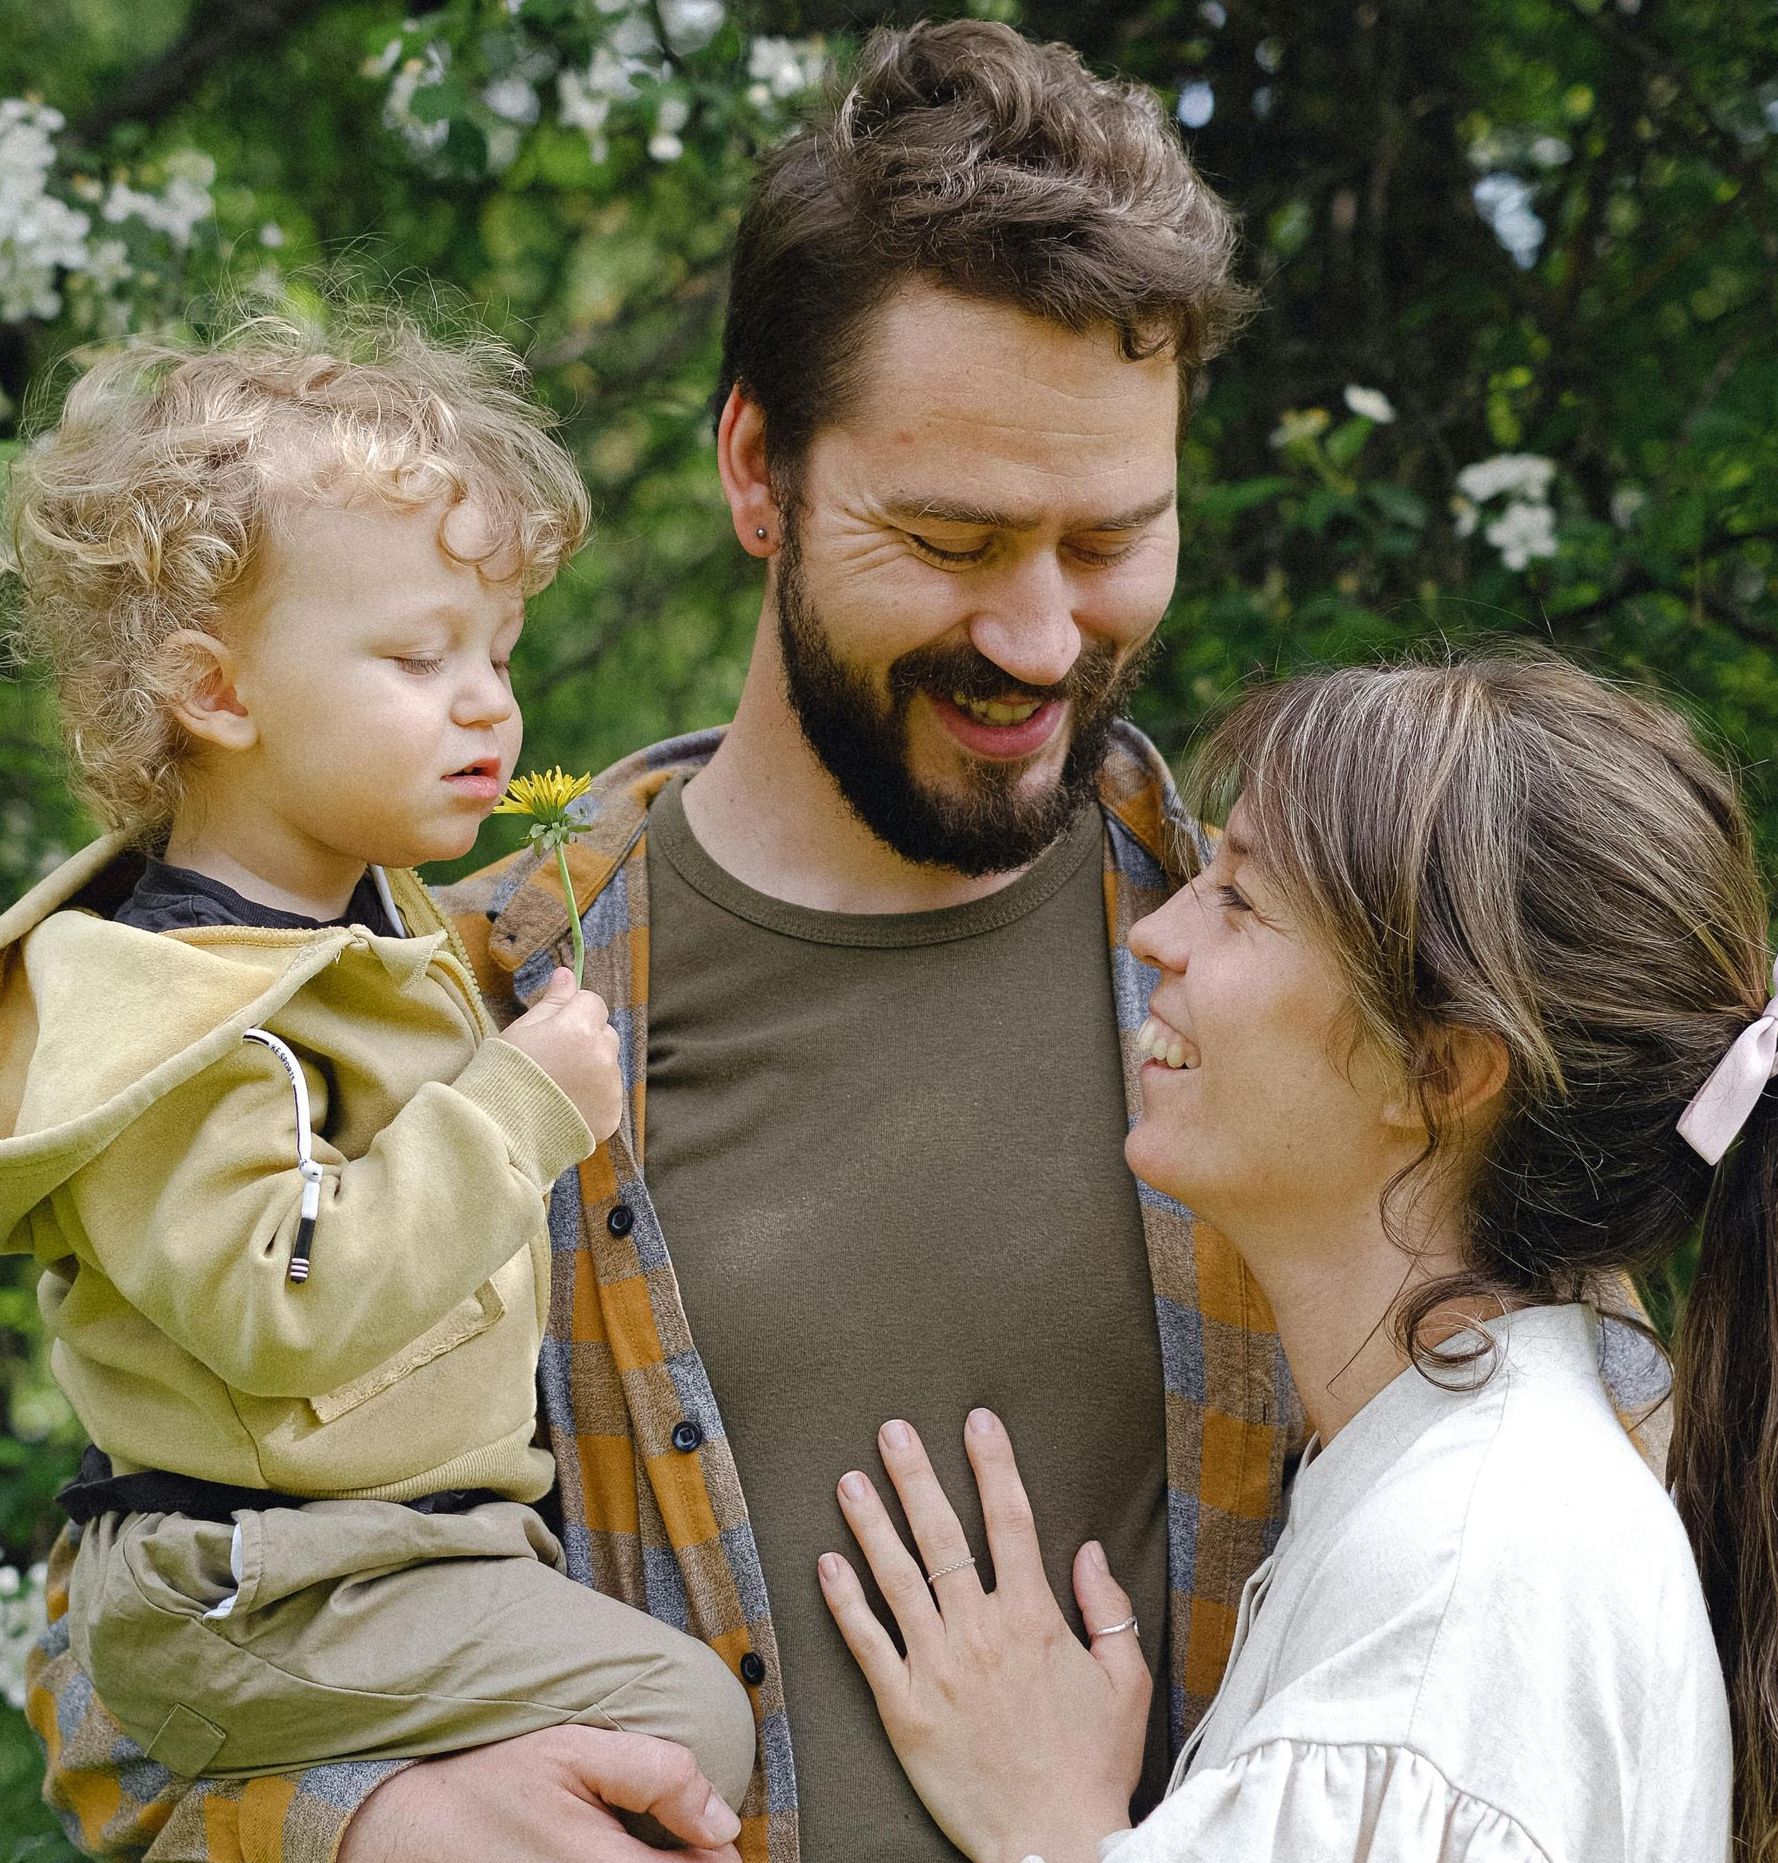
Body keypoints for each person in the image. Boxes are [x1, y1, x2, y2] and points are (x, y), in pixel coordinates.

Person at [21, 25, 1666, 1863]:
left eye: (1111, 536)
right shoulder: (464, 1016)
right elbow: (135, 1642)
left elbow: (1583, 1617)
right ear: (756, 472)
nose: (1040, 636)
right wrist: (369, 1815)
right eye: (952, 537)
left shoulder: (1333, 1024)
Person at [0, 310, 754, 1839]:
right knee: (680, 1715)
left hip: (380, 1560)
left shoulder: (366, 916)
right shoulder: (172, 1008)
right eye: (419, 655)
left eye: (497, 651)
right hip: (252, 1585)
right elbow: (279, 1304)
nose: (488, 702)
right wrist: (521, 1105)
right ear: (217, 693)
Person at [820, 651, 1755, 1862]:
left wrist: (1047, 1833)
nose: (1157, 932)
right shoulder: (1455, 1492)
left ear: (1438, 1072)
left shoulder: (1457, 1588)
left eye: (1240, 899)